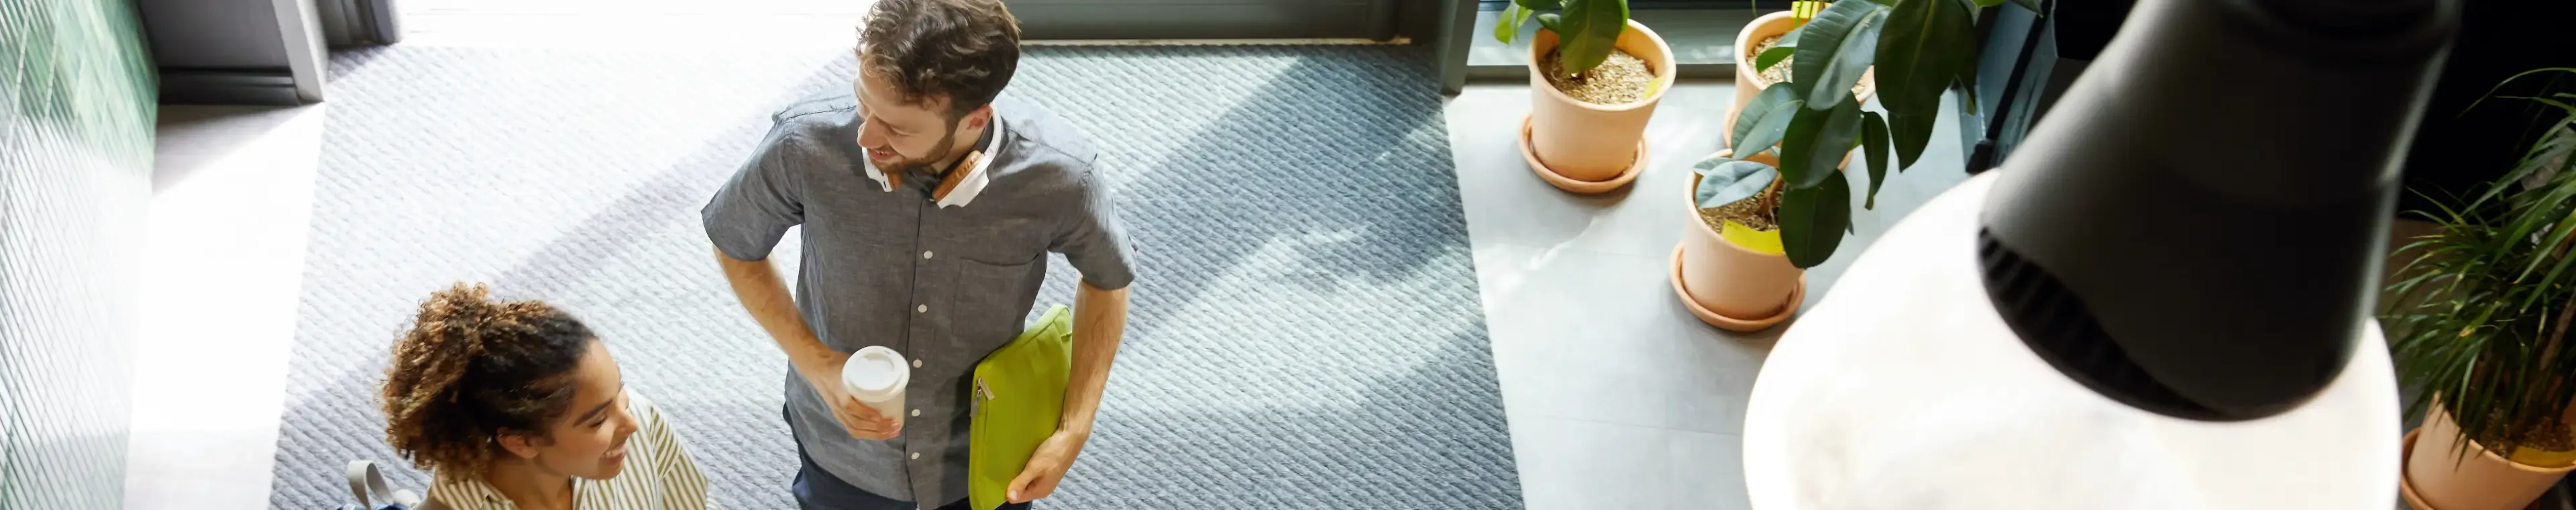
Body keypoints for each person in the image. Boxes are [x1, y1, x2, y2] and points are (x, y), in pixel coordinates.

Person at [700, 0, 1136, 508]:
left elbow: (1108, 280)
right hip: (843, 454)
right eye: (864, 103)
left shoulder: (1060, 178)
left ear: (975, 119)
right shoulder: (803, 145)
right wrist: (819, 366)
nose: (865, 136)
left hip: (987, 456)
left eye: (897, 128)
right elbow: (735, 244)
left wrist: (1075, 427)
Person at [380, 283, 708, 510]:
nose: (630, 423)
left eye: (618, 390)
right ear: (521, 441)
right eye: (597, 421)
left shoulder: (638, 422)